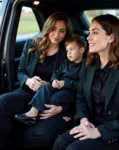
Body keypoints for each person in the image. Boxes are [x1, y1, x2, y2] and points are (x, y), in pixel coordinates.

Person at [52, 14, 119, 150]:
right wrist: (83, 119)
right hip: (92, 125)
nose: (88, 37)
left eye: (95, 32)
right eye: (89, 32)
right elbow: (81, 97)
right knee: (60, 143)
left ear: (111, 37)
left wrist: (99, 131)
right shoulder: (88, 65)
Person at [0, 11, 72, 149]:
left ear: (66, 32)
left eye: (62, 31)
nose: (56, 35)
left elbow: (73, 83)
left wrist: (61, 103)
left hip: (52, 98)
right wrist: (28, 81)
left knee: (38, 133)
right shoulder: (32, 44)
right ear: (47, 28)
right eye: (53, 29)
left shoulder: (68, 52)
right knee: (2, 102)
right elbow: (20, 72)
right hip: (28, 92)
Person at [14, 35, 86, 127]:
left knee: (56, 97)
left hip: (71, 92)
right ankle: (33, 112)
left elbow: (82, 85)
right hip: (60, 86)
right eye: (67, 50)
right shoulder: (66, 63)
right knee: (45, 87)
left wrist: (65, 83)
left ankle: (45, 118)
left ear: (81, 50)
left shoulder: (84, 67)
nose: (69, 53)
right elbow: (57, 72)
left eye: (72, 49)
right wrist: (54, 80)